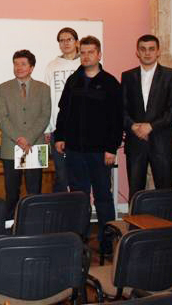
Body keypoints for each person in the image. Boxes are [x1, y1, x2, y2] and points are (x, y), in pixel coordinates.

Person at [54, 35, 122, 254]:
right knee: (79, 197)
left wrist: (111, 148)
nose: (86, 56)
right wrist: (60, 137)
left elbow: (117, 119)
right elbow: (64, 112)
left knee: (103, 197)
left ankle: (106, 243)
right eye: (82, 52)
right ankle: (79, 241)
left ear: (99, 55)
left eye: (90, 52)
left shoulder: (110, 83)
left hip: (100, 152)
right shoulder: (73, 81)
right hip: (75, 151)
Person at [121, 34, 172, 199]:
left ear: (158, 52)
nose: (147, 53)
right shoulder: (127, 76)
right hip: (135, 142)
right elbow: (121, 109)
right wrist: (133, 126)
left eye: (151, 49)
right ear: (137, 52)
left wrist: (151, 126)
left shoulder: (171, 75)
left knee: (165, 193)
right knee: (136, 192)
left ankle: (164, 217)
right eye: (143, 49)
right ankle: (136, 217)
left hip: (162, 142)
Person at [0, 50, 51, 219]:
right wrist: (19, 139)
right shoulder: (3, 88)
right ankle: (9, 224)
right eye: (16, 64)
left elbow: (45, 116)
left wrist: (29, 138)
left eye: (23, 64)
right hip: (11, 146)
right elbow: (1, 117)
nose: (18, 67)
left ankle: (33, 224)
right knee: (12, 192)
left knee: (34, 191)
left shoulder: (44, 88)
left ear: (32, 67)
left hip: (35, 145)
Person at [44, 27, 80, 192]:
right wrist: (48, 128)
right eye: (62, 40)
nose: (65, 43)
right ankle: (62, 206)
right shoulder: (51, 66)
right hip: (58, 128)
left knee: (79, 174)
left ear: (76, 42)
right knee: (61, 174)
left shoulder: (84, 64)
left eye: (69, 39)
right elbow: (47, 98)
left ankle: (80, 206)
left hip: (81, 128)